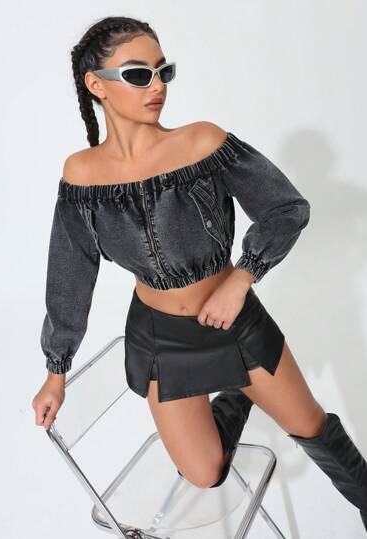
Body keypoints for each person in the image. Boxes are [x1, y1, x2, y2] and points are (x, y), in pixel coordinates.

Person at [31, 16, 367, 529]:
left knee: (311, 427)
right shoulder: (81, 174)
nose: (157, 86)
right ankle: (238, 396)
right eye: (139, 74)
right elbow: (70, 273)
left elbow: (286, 209)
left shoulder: (202, 143)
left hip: (235, 323)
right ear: (96, 84)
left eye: (163, 71)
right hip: (160, 340)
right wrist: (56, 372)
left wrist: (241, 278)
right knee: (204, 472)